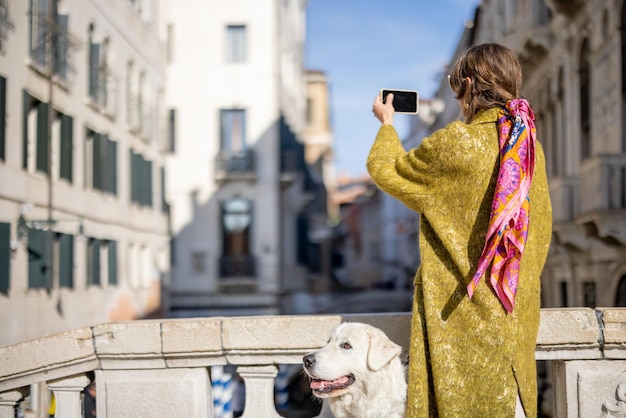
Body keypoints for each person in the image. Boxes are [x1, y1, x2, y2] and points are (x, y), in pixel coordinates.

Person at [367, 43, 552, 417]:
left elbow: (389, 170)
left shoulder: (457, 142)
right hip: (516, 319)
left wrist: (386, 125)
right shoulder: (528, 147)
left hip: (462, 323)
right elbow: (543, 230)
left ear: (467, 85)